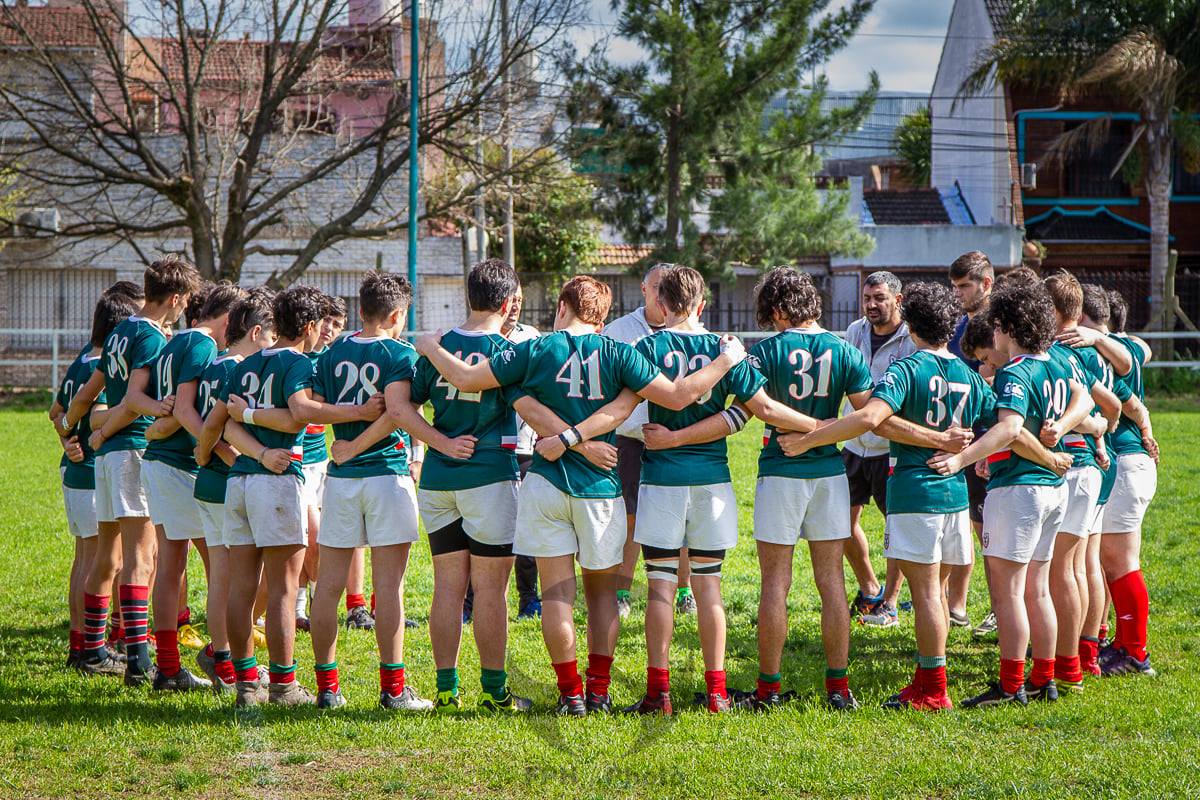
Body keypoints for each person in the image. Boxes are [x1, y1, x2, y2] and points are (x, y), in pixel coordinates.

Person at [415, 275, 745, 715]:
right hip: (598, 487)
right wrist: (727, 360)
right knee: (603, 596)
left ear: (561, 307)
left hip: (547, 482)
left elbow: (470, 379)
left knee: (555, 595)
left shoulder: (533, 349)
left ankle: (570, 694)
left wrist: (430, 346)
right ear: (604, 317)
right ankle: (599, 692)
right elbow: (679, 395)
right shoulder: (619, 351)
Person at [778, 282, 995, 711]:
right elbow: (1008, 424)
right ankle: (926, 682)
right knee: (936, 592)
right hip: (954, 494)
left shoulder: (906, 369)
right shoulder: (970, 374)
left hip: (917, 492)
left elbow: (872, 418)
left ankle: (933, 690)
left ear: (910, 323)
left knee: (928, 595)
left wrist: (811, 437)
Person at [626, 266, 828, 715]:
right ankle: (717, 693)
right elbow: (754, 411)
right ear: (703, 305)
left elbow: (624, 408)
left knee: (660, 587)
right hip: (713, 480)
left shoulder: (646, 345)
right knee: (709, 590)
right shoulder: (727, 350)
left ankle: (659, 694)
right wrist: (817, 425)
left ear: (660, 305)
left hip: (661, 479)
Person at [354, 259, 532, 713]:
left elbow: (401, 407)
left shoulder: (435, 348)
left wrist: (439, 442)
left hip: (438, 478)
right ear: (510, 303)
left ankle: (447, 691)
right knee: (491, 591)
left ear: (467, 296)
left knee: (447, 588)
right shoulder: (510, 350)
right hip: (490, 476)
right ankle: (494, 693)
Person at [928, 283, 1098, 707]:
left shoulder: (1015, 370)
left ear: (1004, 327)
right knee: (1038, 589)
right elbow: (1083, 396)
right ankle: (1047, 677)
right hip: (1054, 490)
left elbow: (1008, 427)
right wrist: (1057, 431)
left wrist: (962, 459)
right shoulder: (1058, 364)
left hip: (1019, 489)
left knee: (1007, 593)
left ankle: (1011, 685)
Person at [66, 256, 201, 684]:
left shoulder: (120, 331)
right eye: (185, 304)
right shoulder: (151, 336)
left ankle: (89, 651)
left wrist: (74, 427)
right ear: (176, 298)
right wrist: (160, 408)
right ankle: (139, 659)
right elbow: (136, 398)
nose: (183, 312)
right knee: (142, 558)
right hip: (134, 451)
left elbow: (91, 392)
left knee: (108, 555)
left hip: (107, 459)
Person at [220, 285, 341, 706]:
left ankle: (245, 684)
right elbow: (297, 418)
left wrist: (253, 444)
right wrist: (269, 448)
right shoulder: (300, 364)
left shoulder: (244, 364)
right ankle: (284, 686)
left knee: (241, 587)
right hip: (275, 482)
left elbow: (227, 424)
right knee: (283, 590)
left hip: (238, 480)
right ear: (308, 326)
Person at [139, 282, 244, 691]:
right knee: (221, 566)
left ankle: (168, 668)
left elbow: (162, 408)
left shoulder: (173, 344)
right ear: (228, 319)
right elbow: (183, 409)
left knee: (172, 566)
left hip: (163, 462)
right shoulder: (201, 345)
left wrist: (160, 427)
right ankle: (223, 663)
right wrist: (216, 450)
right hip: (180, 465)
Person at [1059, 290, 1159, 677]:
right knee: (1106, 560)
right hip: (1126, 459)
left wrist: (1111, 431)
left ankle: (1133, 651)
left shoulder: (1105, 347)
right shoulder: (1117, 345)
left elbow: (1134, 360)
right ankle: (1111, 641)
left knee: (1119, 562)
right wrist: (1147, 427)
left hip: (1124, 460)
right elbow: (1133, 395)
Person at [1042, 272, 1124, 693]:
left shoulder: (1056, 349)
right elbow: (1113, 400)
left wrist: (1085, 430)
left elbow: (1090, 403)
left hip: (1067, 463)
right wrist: (1101, 433)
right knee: (1081, 563)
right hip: (1091, 462)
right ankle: (1085, 653)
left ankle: (1066, 661)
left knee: (1061, 569)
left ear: (1052, 311)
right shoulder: (1087, 348)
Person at [50, 291, 141, 669]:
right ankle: (90, 649)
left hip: (77, 472)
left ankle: (82, 646)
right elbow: (97, 414)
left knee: (86, 559)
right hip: (90, 472)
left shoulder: (82, 358)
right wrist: (78, 442)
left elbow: (57, 412)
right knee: (99, 561)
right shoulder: (100, 367)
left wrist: (67, 437)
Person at [193, 288, 276, 692]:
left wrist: (205, 452)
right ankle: (227, 660)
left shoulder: (215, 365)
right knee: (232, 579)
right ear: (256, 331)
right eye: (271, 335)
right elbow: (223, 426)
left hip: (210, 482)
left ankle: (223, 655)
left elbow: (203, 427)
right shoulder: (237, 369)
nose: (273, 345)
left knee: (223, 579)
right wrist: (228, 457)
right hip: (227, 483)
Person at [604, 264, 696, 617]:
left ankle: (685, 592)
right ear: (644, 289)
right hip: (630, 440)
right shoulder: (620, 331)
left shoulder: (693, 334)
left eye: (670, 288)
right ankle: (622, 593)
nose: (664, 294)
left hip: (677, 440)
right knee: (629, 518)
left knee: (682, 520)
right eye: (658, 286)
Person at [840, 271, 917, 627]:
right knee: (840, 521)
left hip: (892, 448)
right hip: (854, 443)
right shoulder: (855, 331)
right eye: (867, 298)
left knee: (896, 527)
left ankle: (891, 599)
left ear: (897, 300)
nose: (871, 305)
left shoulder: (912, 338)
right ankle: (870, 587)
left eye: (879, 298)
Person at [463, 282, 542, 623]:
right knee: (473, 532)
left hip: (524, 448)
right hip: (482, 450)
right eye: (512, 301)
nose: (515, 308)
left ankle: (529, 598)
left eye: (520, 302)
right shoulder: (479, 339)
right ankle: (468, 604)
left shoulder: (532, 337)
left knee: (524, 526)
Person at [948, 250, 996, 635]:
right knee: (962, 527)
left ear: (986, 284)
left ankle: (1001, 607)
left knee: (990, 535)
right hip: (958, 440)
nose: (959, 293)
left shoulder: (1000, 326)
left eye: (965, 286)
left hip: (991, 441)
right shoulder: (956, 327)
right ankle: (956, 606)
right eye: (955, 286)